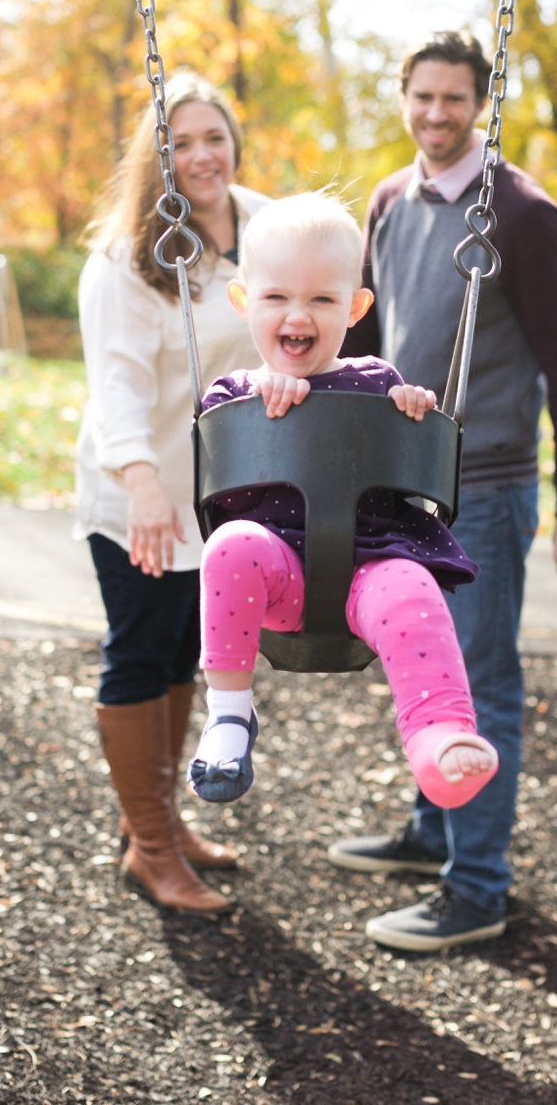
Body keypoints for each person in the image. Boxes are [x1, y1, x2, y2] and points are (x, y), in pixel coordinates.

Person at [328, 29, 557, 953]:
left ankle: (476, 887)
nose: (437, 114)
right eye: (423, 96)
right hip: (404, 486)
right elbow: (364, 345)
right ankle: (431, 829)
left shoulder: (521, 214)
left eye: (455, 99)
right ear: (402, 96)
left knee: (481, 689)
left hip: (484, 485)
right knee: (421, 665)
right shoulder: (391, 201)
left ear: (479, 102)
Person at [184, 191, 499, 812]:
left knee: (413, 585)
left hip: (367, 569)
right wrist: (255, 397)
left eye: (322, 299)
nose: (297, 314)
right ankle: (228, 717)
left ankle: (439, 731)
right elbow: (217, 434)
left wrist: (411, 411)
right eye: (276, 297)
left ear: (354, 309)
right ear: (244, 301)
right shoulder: (234, 389)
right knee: (229, 545)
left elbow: (404, 462)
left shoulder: (377, 380)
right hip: (274, 581)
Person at [75, 72, 269, 914]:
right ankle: (148, 845)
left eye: (213, 137)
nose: (200, 155)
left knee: (192, 653)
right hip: (138, 493)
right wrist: (144, 483)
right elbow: (114, 384)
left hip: (214, 493)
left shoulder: (263, 226)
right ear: (157, 160)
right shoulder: (123, 259)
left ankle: (163, 823)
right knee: (141, 653)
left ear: (233, 141)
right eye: (180, 143)